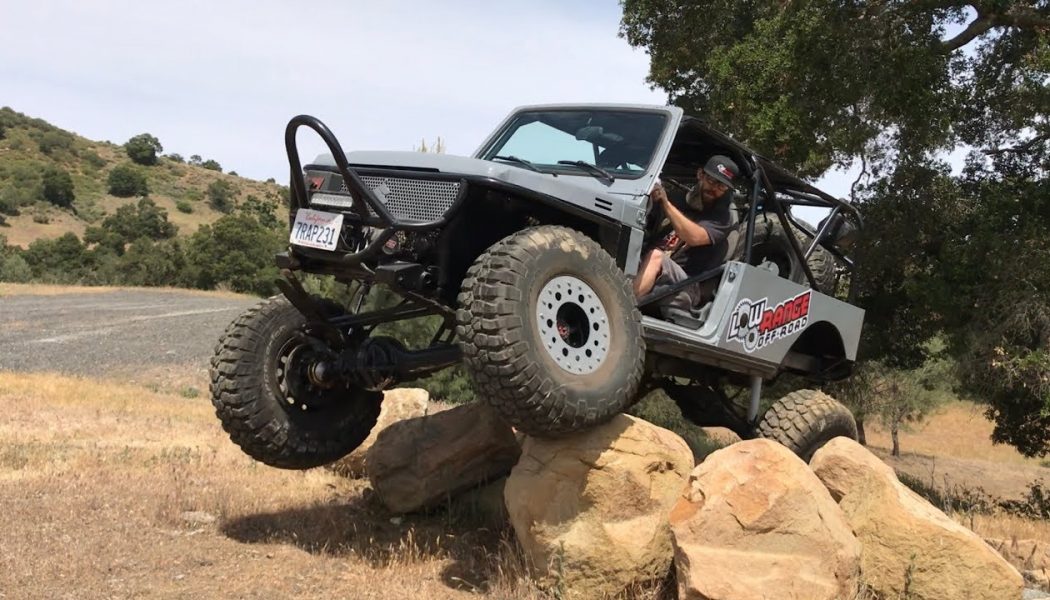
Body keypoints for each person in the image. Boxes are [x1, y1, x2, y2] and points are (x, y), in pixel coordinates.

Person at [632, 154, 740, 310]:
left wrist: (666, 204)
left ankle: (623, 307)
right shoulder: (679, 199)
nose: (714, 189)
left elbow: (693, 237)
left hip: (688, 283)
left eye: (721, 186)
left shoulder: (723, 217)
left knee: (656, 256)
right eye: (711, 181)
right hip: (649, 263)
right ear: (700, 175)